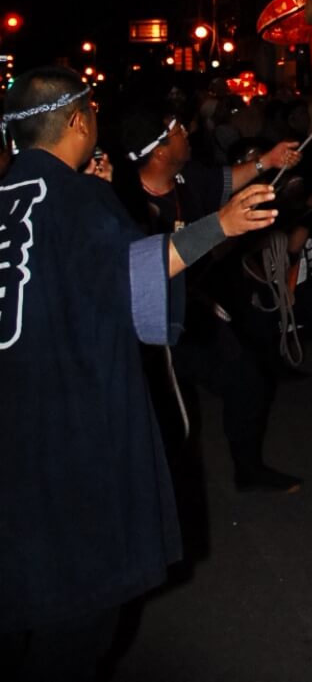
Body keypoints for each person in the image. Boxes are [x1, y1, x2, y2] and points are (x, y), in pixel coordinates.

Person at [0, 66, 278, 679]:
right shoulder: (75, 200)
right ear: (76, 120)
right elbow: (132, 280)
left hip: (13, 422)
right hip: (67, 428)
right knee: (79, 618)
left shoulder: (20, 194)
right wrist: (221, 225)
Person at [116, 98, 304, 494]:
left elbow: (226, 179)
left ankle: (248, 470)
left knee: (247, 380)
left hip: (193, 311)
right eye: (178, 131)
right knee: (163, 417)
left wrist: (268, 160)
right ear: (160, 150)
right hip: (146, 327)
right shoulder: (123, 201)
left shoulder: (188, 179)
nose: (188, 132)